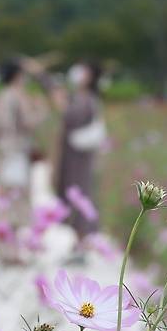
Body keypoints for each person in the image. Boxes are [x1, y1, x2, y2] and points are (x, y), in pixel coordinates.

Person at [0, 59, 47, 216]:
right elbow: (28, 122)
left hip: (3, 146)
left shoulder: (0, 95)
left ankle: (2, 224)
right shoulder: (18, 96)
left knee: (4, 191)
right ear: (17, 76)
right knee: (18, 193)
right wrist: (41, 109)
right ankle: (16, 228)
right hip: (18, 148)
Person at [54, 61, 105, 237]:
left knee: (77, 189)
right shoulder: (81, 96)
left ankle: (82, 233)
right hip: (74, 153)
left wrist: (61, 104)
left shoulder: (86, 98)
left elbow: (70, 117)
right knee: (75, 189)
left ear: (89, 77)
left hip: (78, 155)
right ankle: (77, 233)